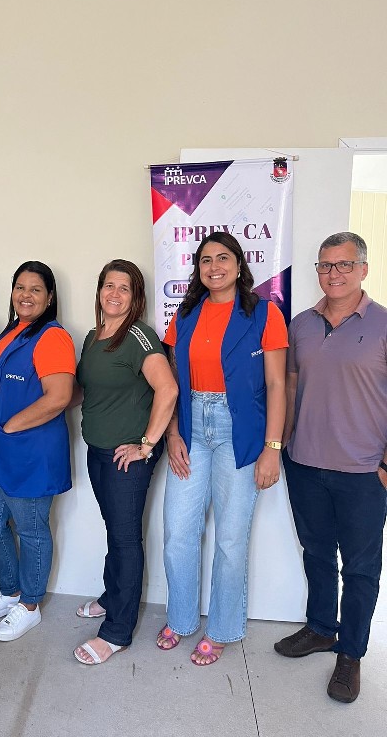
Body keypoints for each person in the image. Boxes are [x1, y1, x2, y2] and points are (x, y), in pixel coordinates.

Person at [158, 233, 287, 665]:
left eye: (223, 258)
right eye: (206, 260)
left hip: (240, 431)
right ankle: (180, 619)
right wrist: (173, 433)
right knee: (178, 533)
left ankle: (222, 628)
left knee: (231, 539)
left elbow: (276, 384)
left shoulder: (264, 313)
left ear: (239, 264)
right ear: (198, 269)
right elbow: (172, 383)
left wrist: (272, 448)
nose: (214, 267)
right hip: (191, 426)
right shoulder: (186, 314)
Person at [274, 232, 387, 704]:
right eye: (325, 265)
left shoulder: (383, 324)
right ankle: (321, 627)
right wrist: (283, 444)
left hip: (363, 471)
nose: (333, 273)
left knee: (360, 568)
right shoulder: (301, 324)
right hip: (304, 463)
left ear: (363, 269)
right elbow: (291, 386)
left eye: (343, 264)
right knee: (317, 554)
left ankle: (350, 654)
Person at [73, 259, 178, 666]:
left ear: (136, 298)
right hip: (98, 451)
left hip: (127, 458)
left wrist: (146, 445)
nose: (114, 294)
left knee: (124, 537)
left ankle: (117, 631)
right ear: (99, 290)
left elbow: (167, 390)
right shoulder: (93, 337)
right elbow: (86, 390)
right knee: (114, 530)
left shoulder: (139, 336)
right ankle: (111, 596)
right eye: (108, 286)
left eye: (124, 288)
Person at [0, 261, 75, 642]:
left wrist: (10, 426)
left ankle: (30, 605)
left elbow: (59, 397)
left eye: (35, 289)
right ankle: (11, 590)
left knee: (31, 529)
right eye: (20, 287)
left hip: (30, 451)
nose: (25, 296)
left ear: (50, 297)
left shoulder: (52, 337)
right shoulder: (11, 333)